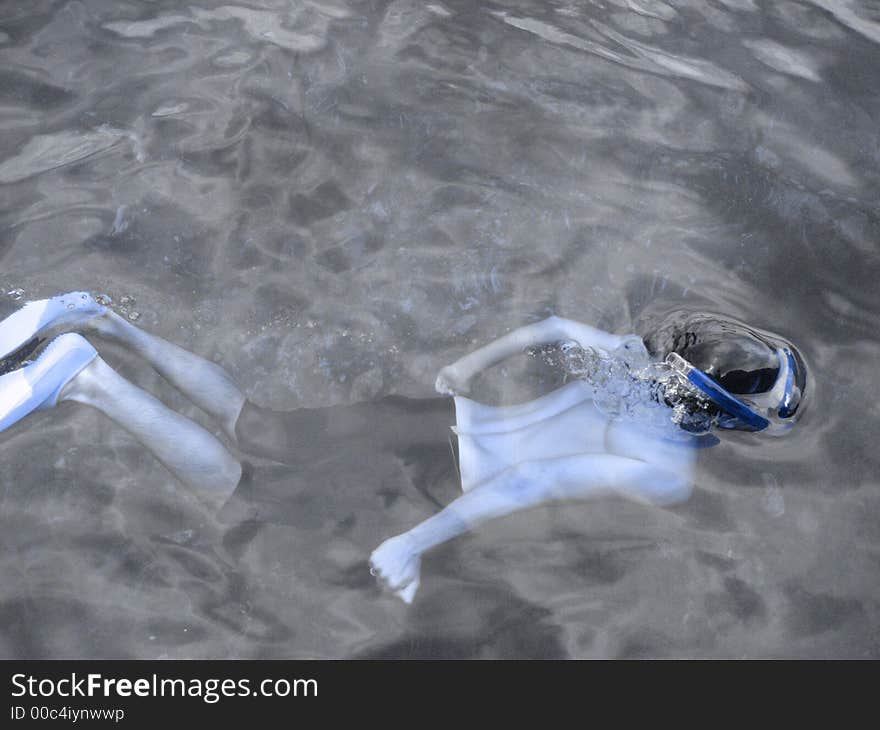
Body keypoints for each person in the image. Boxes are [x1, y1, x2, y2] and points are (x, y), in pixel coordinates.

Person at [0, 292, 806, 603]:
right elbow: (532, 487)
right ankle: (85, 379)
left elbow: (556, 328)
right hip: (423, 475)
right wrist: (415, 543)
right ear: (730, 424)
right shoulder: (665, 472)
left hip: (429, 418)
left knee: (261, 425)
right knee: (244, 498)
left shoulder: (638, 357)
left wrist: (470, 364)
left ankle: (92, 316)